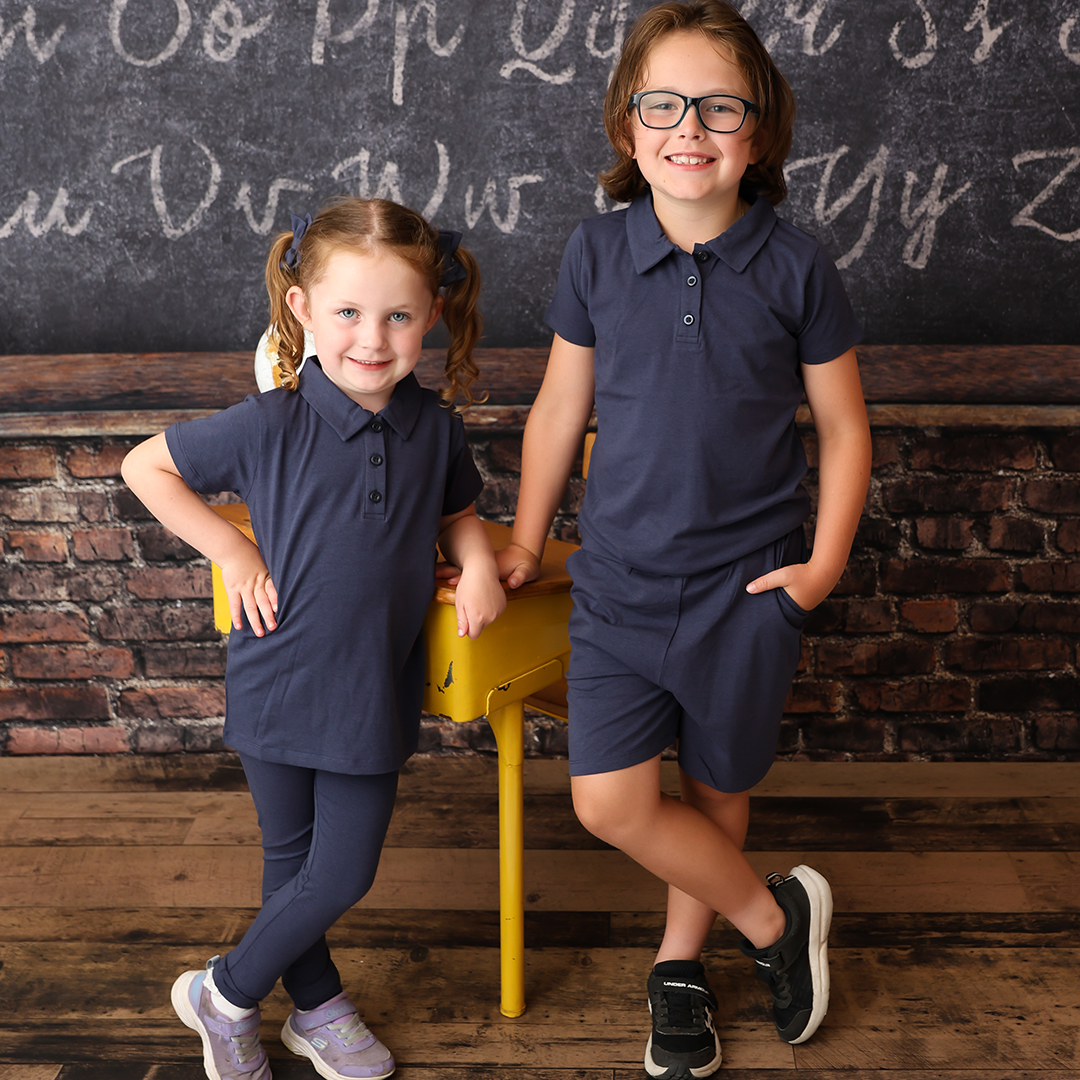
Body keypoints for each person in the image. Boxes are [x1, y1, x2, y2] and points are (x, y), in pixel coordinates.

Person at [495, 2, 871, 1075]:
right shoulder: (597, 253)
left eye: (719, 106)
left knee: (715, 789)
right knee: (611, 800)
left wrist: (824, 567)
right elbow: (560, 412)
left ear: (760, 131)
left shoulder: (798, 269)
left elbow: (844, 430)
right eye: (662, 104)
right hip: (616, 583)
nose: (688, 126)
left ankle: (678, 965)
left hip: (749, 590)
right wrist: (527, 542)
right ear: (627, 127)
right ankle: (773, 921)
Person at [122, 197, 506, 1080]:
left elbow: (457, 514)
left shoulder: (435, 430)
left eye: (398, 315)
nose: (372, 338)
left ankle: (223, 993)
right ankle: (313, 1004)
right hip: (278, 677)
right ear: (301, 309)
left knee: (340, 871)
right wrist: (230, 548)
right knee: (297, 863)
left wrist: (477, 560)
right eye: (347, 312)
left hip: (373, 684)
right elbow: (147, 465)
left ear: (431, 317)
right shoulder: (272, 422)